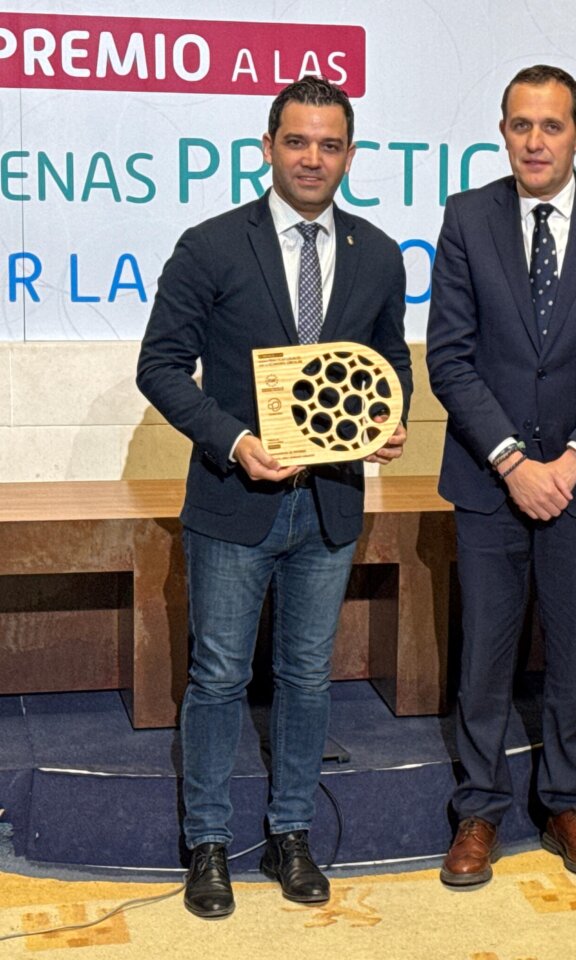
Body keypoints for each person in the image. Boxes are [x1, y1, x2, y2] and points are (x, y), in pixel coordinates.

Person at [136, 77, 412, 918]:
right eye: (298, 142)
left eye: (330, 145)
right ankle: (209, 843)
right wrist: (233, 441)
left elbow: (389, 363)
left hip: (328, 504)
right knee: (219, 676)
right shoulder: (211, 245)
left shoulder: (378, 252)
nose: (313, 158)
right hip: (234, 500)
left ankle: (291, 833)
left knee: (305, 675)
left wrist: (387, 418)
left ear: (350, 156)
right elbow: (159, 367)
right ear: (268, 147)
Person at [426, 64, 576, 888]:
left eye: (551, 126)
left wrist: (567, 462)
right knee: (485, 659)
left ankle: (566, 801)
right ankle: (480, 810)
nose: (535, 140)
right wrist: (511, 461)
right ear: (504, 132)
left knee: (571, 655)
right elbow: (450, 360)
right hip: (490, 484)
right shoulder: (467, 217)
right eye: (520, 125)